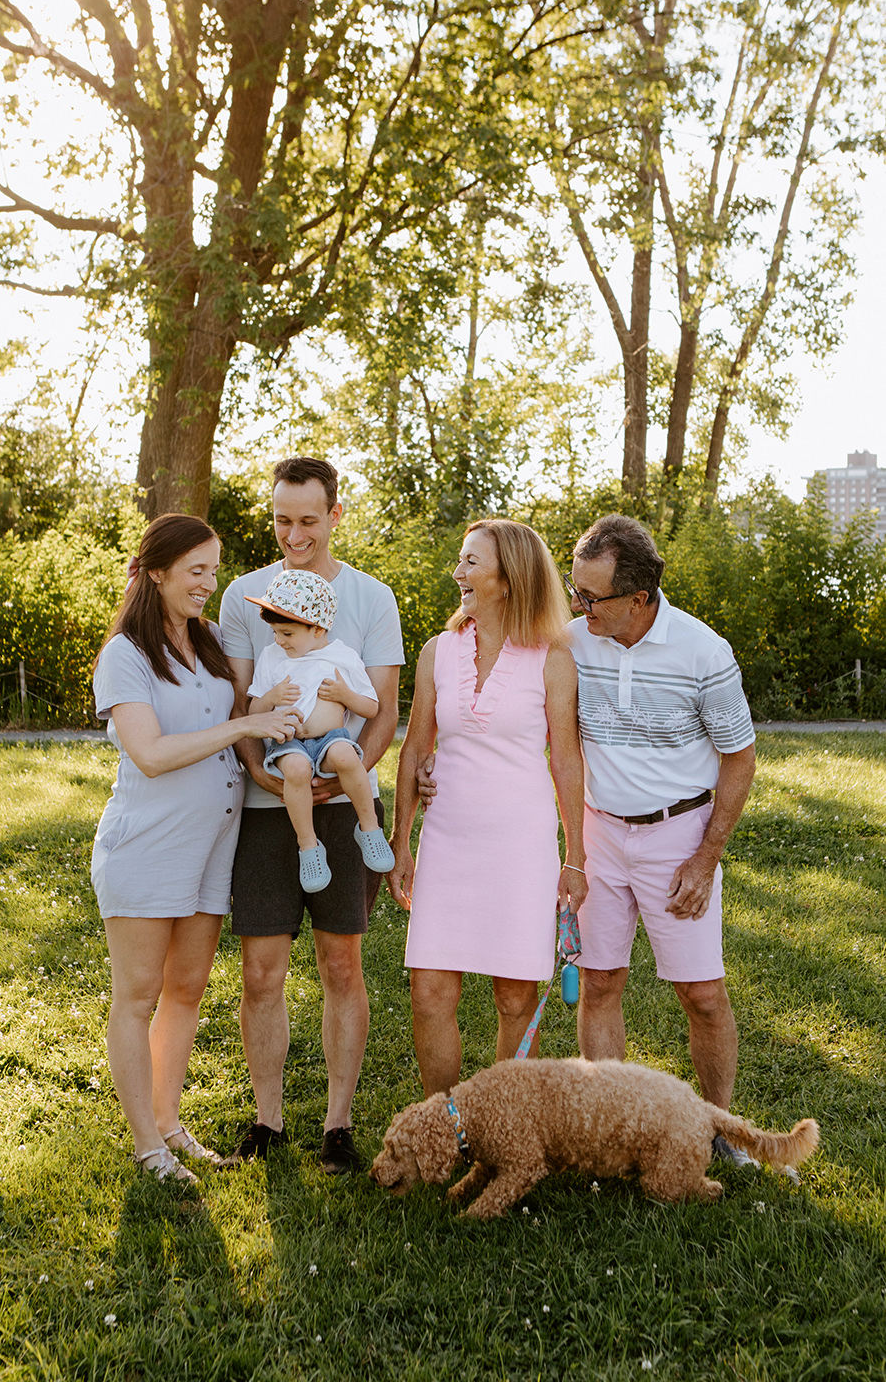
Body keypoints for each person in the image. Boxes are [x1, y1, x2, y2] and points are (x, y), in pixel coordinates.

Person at [91, 513, 298, 1184]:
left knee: (185, 990)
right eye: (196, 571)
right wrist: (244, 720)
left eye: (214, 569)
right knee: (138, 994)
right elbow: (149, 754)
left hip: (213, 847)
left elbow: (264, 706)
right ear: (156, 573)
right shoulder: (126, 653)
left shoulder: (208, 642)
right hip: (147, 848)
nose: (210, 583)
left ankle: (169, 1120)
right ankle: (146, 1144)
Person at [218, 457, 403, 1174]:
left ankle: (337, 1124)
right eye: (280, 520)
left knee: (340, 964)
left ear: (334, 515)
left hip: (344, 796)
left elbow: (382, 711)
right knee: (261, 971)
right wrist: (258, 766)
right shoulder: (242, 595)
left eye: (306, 519)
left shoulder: (370, 597)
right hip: (268, 805)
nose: (293, 534)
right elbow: (241, 704)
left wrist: (345, 776)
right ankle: (266, 1120)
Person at [562, 514, 756, 1166]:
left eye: (591, 597)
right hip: (596, 834)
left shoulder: (703, 652)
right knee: (598, 982)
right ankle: (610, 1128)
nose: (577, 606)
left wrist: (705, 858)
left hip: (678, 838)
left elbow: (738, 758)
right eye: (574, 591)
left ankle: (719, 1129)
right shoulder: (571, 643)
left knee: (700, 994)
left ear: (639, 598)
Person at [387, 519, 587, 1097]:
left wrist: (575, 856)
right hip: (447, 840)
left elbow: (566, 762)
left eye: (471, 562)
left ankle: (505, 1132)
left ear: (509, 577)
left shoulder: (552, 658)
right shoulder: (437, 652)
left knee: (516, 998)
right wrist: (401, 841)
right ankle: (440, 1125)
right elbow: (415, 747)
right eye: (461, 559)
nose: (458, 573)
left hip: (520, 847)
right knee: (428, 993)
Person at [245, 570, 395, 891]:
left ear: (316, 628)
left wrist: (345, 696)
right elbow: (252, 713)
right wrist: (271, 698)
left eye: (286, 633)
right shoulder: (273, 657)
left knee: (345, 755)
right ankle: (309, 846)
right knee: (297, 769)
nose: (278, 640)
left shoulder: (343, 657)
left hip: (330, 740)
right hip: (290, 742)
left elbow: (371, 708)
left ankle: (368, 828)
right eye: (275, 632)